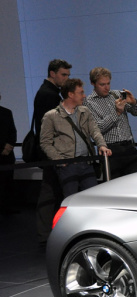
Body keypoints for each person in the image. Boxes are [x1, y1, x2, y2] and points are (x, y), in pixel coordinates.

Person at [39, 78, 112, 198]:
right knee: (71, 199)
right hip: (68, 166)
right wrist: (60, 161)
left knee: (93, 198)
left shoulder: (85, 111)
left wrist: (102, 145)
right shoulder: (51, 116)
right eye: (81, 92)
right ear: (70, 94)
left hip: (87, 163)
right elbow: (45, 142)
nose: (84, 96)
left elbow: (94, 130)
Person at [34, 59, 70, 243]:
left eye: (68, 75)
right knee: (50, 191)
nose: (66, 78)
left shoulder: (48, 92)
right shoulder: (48, 94)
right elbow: (52, 127)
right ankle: (47, 233)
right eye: (63, 75)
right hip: (53, 150)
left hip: (51, 149)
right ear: (52, 73)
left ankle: (48, 233)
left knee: (52, 190)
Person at [83, 67, 137, 178]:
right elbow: (98, 128)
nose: (107, 87)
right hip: (110, 149)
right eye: (102, 84)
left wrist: (133, 102)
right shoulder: (88, 102)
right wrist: (117, 112)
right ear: (93, 83)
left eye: (108, 83)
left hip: (129, 146)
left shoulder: (116, 95)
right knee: (114, 184)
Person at [0, 91, 17, 214]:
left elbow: (13, 131)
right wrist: (2, 147)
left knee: (8, 182)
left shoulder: (7, 112)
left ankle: (7, 207)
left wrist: (9, 146)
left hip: (8, 155)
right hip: (3, 151)